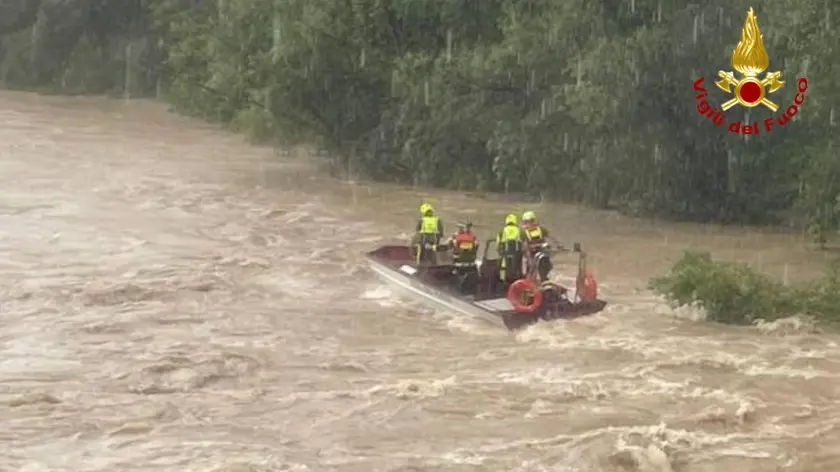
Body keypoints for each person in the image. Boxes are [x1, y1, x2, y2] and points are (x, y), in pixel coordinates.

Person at [521, 210, 553, 281]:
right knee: (530, 270)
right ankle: (530, 281)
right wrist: (529, 259)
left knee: (545, 267)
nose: (529, 224)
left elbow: (551, 237)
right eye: (527, 222)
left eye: (530, 221)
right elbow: (525, 246)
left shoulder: (541, 229)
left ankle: (543, 279)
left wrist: (559, 246)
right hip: (531, 254)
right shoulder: (524, 232)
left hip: (541, 254)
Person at [495, 213, 525, 285]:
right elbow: (524, 242)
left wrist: (501, 253)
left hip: (506, 254)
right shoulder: (520, 231)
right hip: (517, 254)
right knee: (518, 269)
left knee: (505, 269)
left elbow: (498, 244)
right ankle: (519, 281)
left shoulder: (501, 232)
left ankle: (504, 282)